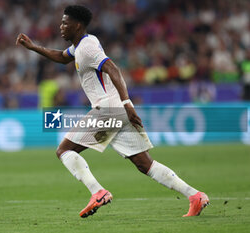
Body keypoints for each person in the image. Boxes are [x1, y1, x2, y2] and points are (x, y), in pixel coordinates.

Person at [16, 5, 209, 218]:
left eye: (65, 23)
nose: (60, 26)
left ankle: (97, 192)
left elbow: (112, 68)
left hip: (107, 108)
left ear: (77, 25)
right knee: (145, 164)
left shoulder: (87, 48)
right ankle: (195, 196)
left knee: (64, 150)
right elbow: (62, 57)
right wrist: (34, 47)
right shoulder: (82, 45)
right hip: (116, 110)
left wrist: (128, 102)